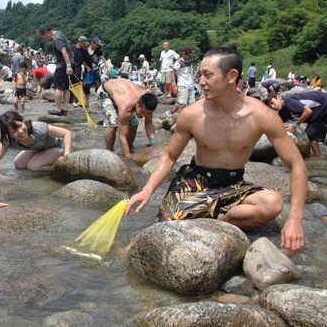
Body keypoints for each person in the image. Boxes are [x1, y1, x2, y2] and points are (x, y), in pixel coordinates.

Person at [127, 46, 308, 257]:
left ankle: (222, 221)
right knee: (154, 239)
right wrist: (147, 190)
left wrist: (295, 219)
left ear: (231, 76)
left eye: (208, 75)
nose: (201, 81)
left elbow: (297, 166)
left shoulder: (262, 116)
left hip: (234, 184)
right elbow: (169, 156)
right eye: (200, 74)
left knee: (273, 203)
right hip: (194, 183)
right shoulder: (192, 114)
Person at [0, 111, 71, 174]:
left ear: (23, 121)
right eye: (14, 131)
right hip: (40, 148)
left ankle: (57, 168)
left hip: (57, 146)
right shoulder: (8, 140)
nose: (20, 131)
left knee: (33, 167)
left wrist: (66, 158)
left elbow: (66, 133)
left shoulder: (38, 128)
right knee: (18, 164)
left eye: (20, 125)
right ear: (9, 134)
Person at [265, 91, 327, 157]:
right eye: (270, 106)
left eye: (272, 103)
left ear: (279, 97)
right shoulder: (283, 112)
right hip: (317, 116)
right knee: (311, 135)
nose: (273, 107)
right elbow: (278, 123)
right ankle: (318, 159)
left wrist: (295, 126)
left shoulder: (289, 101)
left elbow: (308, 111)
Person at [97, 78, 158, 157]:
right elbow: (122, 136)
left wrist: (153, 144)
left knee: (134, 123)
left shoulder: (147, 101)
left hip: (122, 94)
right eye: (142, 112)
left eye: (148, 113)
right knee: (113, 123)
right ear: (137, 104)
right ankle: (109, 153)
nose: (144, 116)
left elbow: (149, 123)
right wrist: (128, 158)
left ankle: (129, 147)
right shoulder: (126, 106)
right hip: (105, 92)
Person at [38, 26, 74, 116]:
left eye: (43, 37)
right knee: (66, 87)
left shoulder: (56, 38)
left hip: (63, 65)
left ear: (47, 32)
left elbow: (64, 52)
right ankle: (65, 109)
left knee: (58, 87)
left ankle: (57, 109)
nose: (45, 39)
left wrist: (68, 66)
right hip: (68, 63)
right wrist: (69, 65)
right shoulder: (60, 33)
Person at [167, 47, 195, 116]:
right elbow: (173, 73)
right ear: (184, 54)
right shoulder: (178, 62)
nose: (190, 57)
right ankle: (180, 118)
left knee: (192, 103)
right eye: (189, 56)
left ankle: (188, 117)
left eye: (191, 56)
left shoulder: (190, 63)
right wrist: (174, 85)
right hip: (183, 85)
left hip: (190, 85)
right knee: (182, 103)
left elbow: (191, 74)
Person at [82, 37, 104, 107]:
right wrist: (87, 67)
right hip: (87, 71)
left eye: (98, 45)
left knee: (98, 86)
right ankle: (87, 102)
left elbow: (103, 58)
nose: (98, 46)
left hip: (96, 70)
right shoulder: (85, 51)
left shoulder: (98, 50)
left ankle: (98, 102)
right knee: (86, 87)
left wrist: (107, 66)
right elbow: (82, 61)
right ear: (93, 43)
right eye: (97, 44)